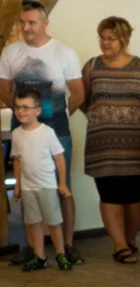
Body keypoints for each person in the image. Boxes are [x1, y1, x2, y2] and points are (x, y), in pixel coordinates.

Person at [0, 0, 85, 266]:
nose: (26, 27)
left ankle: (67, 246)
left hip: (57, 130)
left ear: (45, 23)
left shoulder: (64, 52)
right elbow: (4, 89)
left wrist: (55, 118)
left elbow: (79, 93)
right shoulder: (11, 52)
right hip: (21, 130)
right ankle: (31, 247)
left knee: (62, 187)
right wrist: (22, 115)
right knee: (27, 187)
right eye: (23, 22)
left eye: (32, 23)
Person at [81, 16, 140, 264]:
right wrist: (100, 116)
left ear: (124, 40)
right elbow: (82, 98)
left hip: (137, 146)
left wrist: (136, 118)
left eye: (111, 38)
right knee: (109, 194)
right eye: (102, 38)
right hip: (102, 145)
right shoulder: (92, 66)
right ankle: (119, 245)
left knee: (134, 195)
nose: (105, 43)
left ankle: (130, 239)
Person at [11, 89, 72, 271]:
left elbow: (59, 158)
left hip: (46, 185)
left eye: (26, 107)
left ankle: (60, 254)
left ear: (37, 110)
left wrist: (61, 183)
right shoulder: (16, 134)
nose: (21, 111)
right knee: (33, 223)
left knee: (53, 222)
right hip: (28, 188)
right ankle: (40, 257)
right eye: (18, 107)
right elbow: (18, 160)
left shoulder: (47, 132)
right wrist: (18, 184)